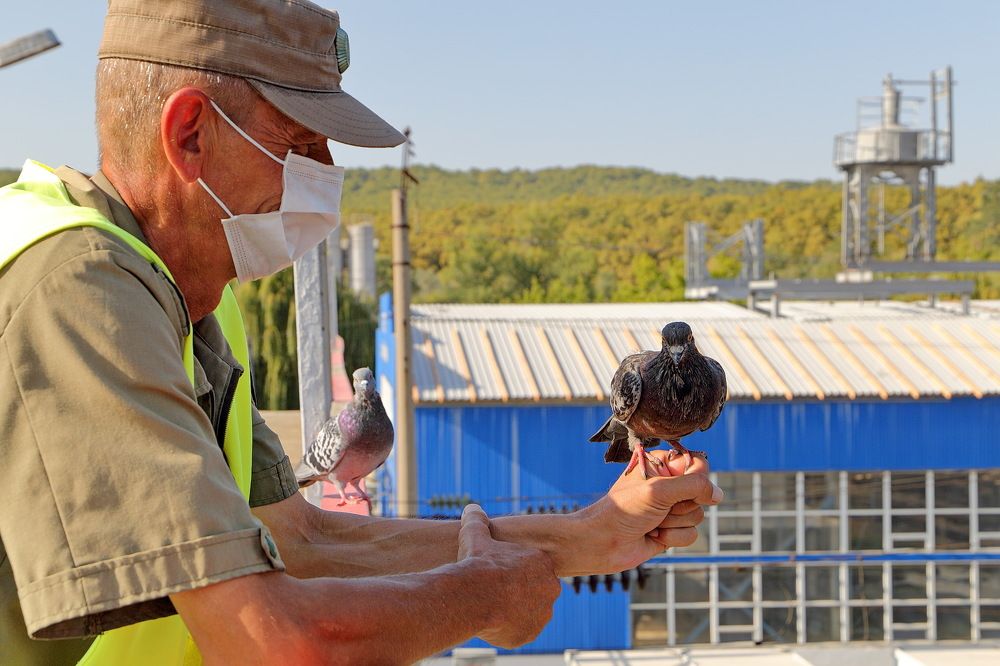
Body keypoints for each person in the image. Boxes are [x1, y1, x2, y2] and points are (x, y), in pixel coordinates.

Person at [0, 1, 724, 664]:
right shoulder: (78, 288)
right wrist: (485, 597)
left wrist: (591, 535)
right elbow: (275, 641)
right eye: (300, 142)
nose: (327, 173)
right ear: (190, 136)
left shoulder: (195, 304)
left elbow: (301, 541)